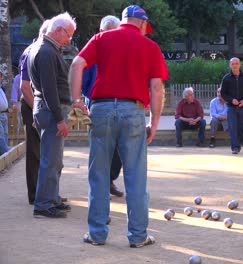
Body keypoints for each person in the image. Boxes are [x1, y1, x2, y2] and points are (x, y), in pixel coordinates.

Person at [69, 5, 167, 247]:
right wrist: (154, 122)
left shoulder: (102, 37)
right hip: (132, 110)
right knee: (136, 177)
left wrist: (77, 101)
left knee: (99, 175)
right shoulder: (150, 46)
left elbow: (76, 65)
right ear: (142, 24)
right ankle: (137, 236)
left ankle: (96, 234)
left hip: (101, 109)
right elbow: (156, 88)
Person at [28, 13, 76, 218]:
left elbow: (37, 86)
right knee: (50, 160)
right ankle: (43, 204)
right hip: (51, 110)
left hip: (45, 108)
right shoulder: (47, 51)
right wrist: (59, 118)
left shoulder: (40, 48)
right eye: (68, 35)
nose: (69, 40)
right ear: (58, 30)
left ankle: (51, 198)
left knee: (54, 159)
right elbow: (48, 89)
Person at [80, 15, 124, 198]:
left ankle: (109, 180)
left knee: (120, 149)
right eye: (113, 32)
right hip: (98, 106)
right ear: (102, 31)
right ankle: (100, 189)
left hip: (122, 106)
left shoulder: (122, 52)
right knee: (100, 150)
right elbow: (83, 83)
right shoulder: (92, 53)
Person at [19, 20, 52, 205]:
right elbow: (25, 88)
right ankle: (35, 195)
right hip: (32, 106)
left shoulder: (45, 52)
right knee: (34, 152)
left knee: (48, 151)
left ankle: (48, 192)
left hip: (42, 105)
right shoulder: (31, 52)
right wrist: (35, 113)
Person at [220, 57, 243, 154]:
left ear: (240, 65)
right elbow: (223, 93)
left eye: (236, 63)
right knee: (233, 127)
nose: (235, 65)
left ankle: (238, 143)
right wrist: (231, 100)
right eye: (233, 64)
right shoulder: (226, 78)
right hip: (231, 107)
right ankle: (235, 147)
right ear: (230, 65)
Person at [0, 71, 9, 155]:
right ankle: (5, 153)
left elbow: (3, 101)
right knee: (1, 135)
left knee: (5, 134)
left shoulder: (1, 88)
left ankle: (5, 154)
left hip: (3, 113)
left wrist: (6, 110)